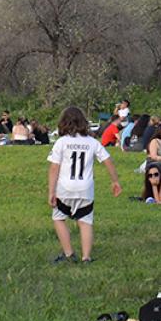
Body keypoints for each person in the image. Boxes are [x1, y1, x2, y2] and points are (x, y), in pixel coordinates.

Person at [47, 106, 122, 264]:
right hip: (85, 189)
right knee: (85, 221)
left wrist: (51, 191)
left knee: (59, 218)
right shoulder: (92, 142)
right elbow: (108, 160)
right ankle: (86, 257)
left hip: (65, 189)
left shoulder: (61, 142)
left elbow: (54, 168)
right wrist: (115, 181)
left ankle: (69, 254)